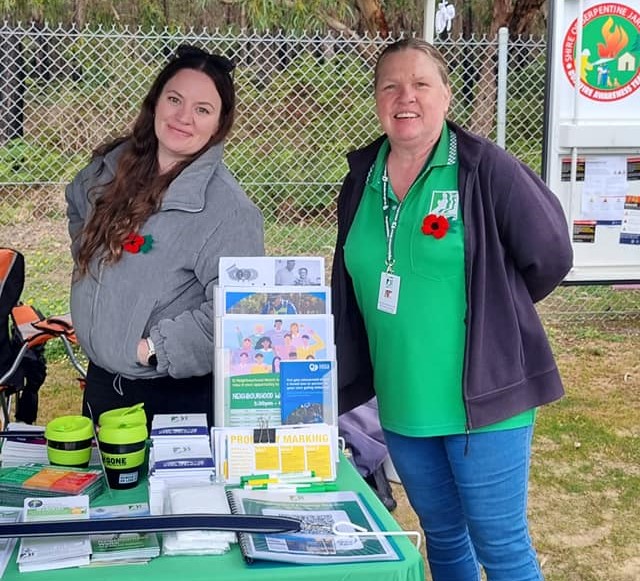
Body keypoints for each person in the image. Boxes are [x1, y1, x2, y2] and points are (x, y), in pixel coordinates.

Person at [331, 38, 573, 581]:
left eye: (420, 84)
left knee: (502, 548)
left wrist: (497, 310)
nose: (405, 97)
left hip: (484, 405)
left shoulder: (484, 168)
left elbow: (551, 253)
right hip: (402, 403)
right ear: (376, 100)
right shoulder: (360, 180)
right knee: (442, 538)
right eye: (390, 85)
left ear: (445, 94)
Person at [66, 45, 264, 429]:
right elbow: (77, 203)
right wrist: (91, 263)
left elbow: (241, 313)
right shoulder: (110, 168)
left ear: (219, 124)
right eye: (175, 99)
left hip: (170, 399)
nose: (183, 117)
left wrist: (153, 349)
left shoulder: (229, 212)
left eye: (202, 110)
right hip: (103, 385)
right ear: (156, 101)